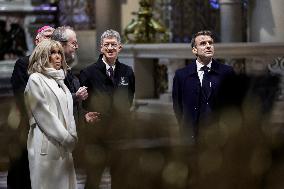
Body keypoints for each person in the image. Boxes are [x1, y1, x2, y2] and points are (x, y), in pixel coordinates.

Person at [79, 29, 135, 189]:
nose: (110, 48)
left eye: (114, 45)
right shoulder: (88, 72)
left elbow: (129, 99)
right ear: (101, 48)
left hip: (121, 133)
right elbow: (83, 103)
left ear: (120, 48)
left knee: (121, 177)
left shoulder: (127, 72)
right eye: (106, 45)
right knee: (93, 178)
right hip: (97, 135)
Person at [24, 39, 77, 189]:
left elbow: (69, 112)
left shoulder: (61, 83)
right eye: (52, 53)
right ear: (42, 56)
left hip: (64, 144)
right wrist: (66, 137)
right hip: (46, 142)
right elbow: (43, 114)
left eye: (59, 52)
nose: (58, 56)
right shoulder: (35, 79)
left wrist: (72, 135)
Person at [9, 25, 55, 189]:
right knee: (23, 170)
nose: (50, 40)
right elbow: (22, 96)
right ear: (37, 41)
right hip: (28, 124)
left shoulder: (56, 66)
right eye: (47, 36)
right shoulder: (23, 64)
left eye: (53, 37)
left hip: (51, 126)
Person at [172, 30, 235, 141]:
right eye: (203, 43)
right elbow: (178, 106)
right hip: (191, 136)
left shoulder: (227, 72)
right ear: (194, 50)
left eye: (210, 43)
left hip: (221, 135)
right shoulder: (182, 75)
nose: (208, 46)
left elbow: (233, 103)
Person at [51, 26, 99, 126]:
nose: (76, 47)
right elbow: (52, 101)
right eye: (73, 43)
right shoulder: (49, 72)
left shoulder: (67, 70)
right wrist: (76, 96)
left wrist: (83, 116)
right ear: (61, 45)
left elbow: (72, 107)